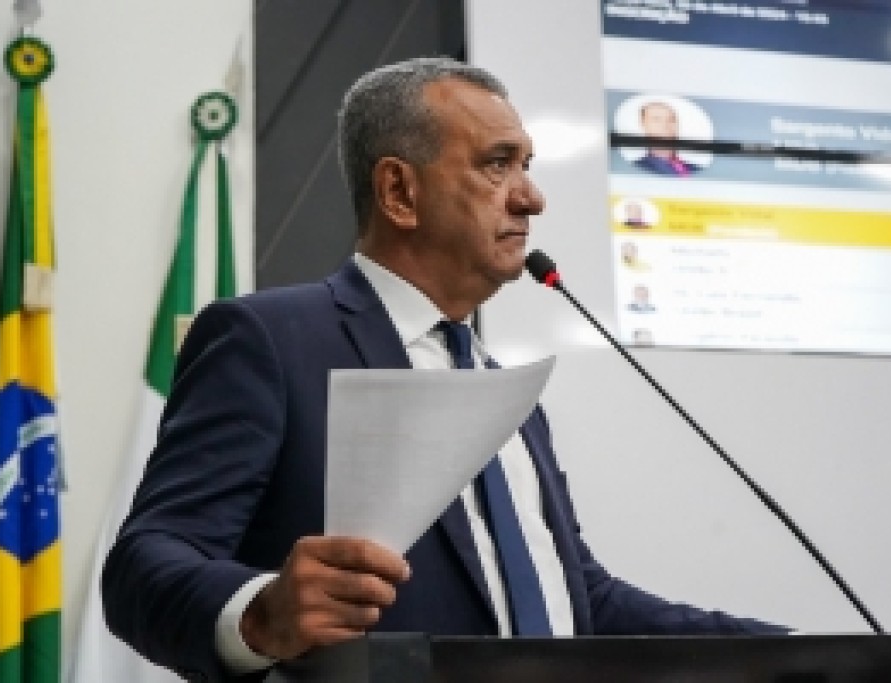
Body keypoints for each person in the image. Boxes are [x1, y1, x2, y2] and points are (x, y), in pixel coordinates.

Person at [102, 57, 786, 683]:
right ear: (399, 191)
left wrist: (779, 652)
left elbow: (575, 596)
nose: (531, 198)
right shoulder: (272, 341)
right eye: (498, 164)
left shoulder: (503, 387)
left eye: (527, 165)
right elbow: (144, 564)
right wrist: (259, 612)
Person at [634, 100, 702, 176]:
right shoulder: (639, 169)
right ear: (644, 124)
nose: (666, 125)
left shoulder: (696, 170)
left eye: (671, 119)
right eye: (657, 120)